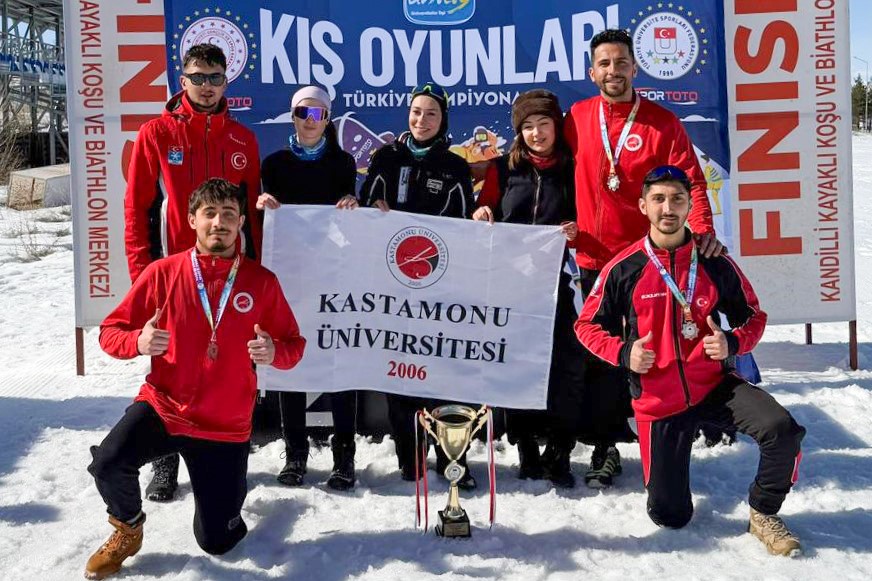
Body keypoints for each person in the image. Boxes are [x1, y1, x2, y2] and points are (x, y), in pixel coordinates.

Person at [574, 166, 805, 557]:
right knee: (670, 515)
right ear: (643, 205)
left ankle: (763, 512)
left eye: (678, 199)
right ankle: (666, 484)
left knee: (782, 430)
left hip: (714, 386)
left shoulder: (713, 260)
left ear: (689, 205)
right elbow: (585, 326)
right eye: (659, 199)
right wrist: (623, 352)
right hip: (658, 402)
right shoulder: (624, 267)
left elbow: (754, 315)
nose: (669, 208)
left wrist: (733, 341)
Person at [85, 179, 306, 580]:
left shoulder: (261, 282)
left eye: (228, 214)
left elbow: (294, 344)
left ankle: (228, 503)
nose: (218, 223)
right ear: (191, 220)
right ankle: (127, 528)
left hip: (224, 426)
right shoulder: (162, 273)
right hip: (165, 407)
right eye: (209, 213)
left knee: (217, 542)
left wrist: (276, 352)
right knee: (108, 463)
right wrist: (138, 340)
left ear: (241, 221)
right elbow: (108, 331)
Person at [563, 28, 725, 488]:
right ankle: (605, 445)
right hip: (596, 261)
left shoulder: (662, 122)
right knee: (605, 356)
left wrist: (704, 231)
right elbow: (540, 159)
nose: (613, 71)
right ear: (592, 72)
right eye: (604, 64)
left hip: (649, 262)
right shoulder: (577, 116)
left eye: (621, 62)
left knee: (663, 351)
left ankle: (675, 433)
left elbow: (691, 182)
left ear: (635, 67)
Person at [123, 43, 262, 502]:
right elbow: (138, 208)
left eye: (215, 78)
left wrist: (257, 273)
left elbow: (254, 218)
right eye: (198, 78)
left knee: (231, 367)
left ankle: (231, 453)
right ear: (181, 81)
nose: (206, 87)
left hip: (230, 277)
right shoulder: (156, 133)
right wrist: (145, 276)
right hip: (174, 274)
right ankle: (165, 461)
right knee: (168, 365)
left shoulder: (243, 139)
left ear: (227, 82)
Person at [360, 82, 478, 487]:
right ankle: (409, 455)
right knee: (401, 369)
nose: (421, 120)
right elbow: (362, 209)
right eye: (415, 112)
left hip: (439, 286)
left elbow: (464, 227)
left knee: (443, 369)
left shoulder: (454, 165)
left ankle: (451, 456)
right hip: (393, 286)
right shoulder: (386, 157)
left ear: (443, 119)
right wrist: (369, 208)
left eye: (430, 113)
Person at [474, 89, 584, 488]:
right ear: (518, 132)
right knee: (513, 363)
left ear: (556, 126)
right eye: (527, 126)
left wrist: (574, 233)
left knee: (567, 367)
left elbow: (582, 223)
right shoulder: (502, 168)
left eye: (543, 124)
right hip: (510, 284)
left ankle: (560, 451)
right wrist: (481, 211)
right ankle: (526, 449)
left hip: (555, 283)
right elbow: (484, 211)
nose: (537, 133)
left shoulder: (574, 169)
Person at [258, 85, 360, 491]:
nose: (310, 121)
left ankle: (344, 456)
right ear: (293, 115)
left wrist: (352, 205)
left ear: (328, 119)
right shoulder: (275, 163)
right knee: (288, 360)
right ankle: (296, 453)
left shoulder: (343, 162)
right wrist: (263, 205)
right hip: (290, 276)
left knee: (340, 362)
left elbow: (352, 221)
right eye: (303, 113)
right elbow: (266, 220)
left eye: (318, 114)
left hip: (333, 275)